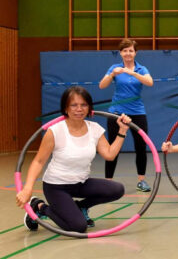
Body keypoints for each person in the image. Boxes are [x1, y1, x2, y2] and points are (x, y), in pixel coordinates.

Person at [16, 86, 127, 232]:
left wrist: (122, 131)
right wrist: (28, 188)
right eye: (74, 105)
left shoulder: (94, 129)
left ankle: (81, 207)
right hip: (56, 186)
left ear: (89, 108)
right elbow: (39, 161)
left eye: (83, 105)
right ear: (66, 108)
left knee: (117, 189)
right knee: (78, 226)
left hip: (81, 183)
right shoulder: (55, 131)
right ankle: (40, 207)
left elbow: (110, 155)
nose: (79, 109)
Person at [98, 38, 154, 192]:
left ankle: (141, 181)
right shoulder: (115, 68)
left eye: (131, 50)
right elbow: (102, 85)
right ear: (120, 53)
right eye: (125, 50)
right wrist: (111, 75)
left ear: (135, 53)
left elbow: (150, 82)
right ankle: (108, 181)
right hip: (117, 112)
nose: (128, 53)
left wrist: (132, 73)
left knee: (141, 147)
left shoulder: (141, 69)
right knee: (112, 147)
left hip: (137, 112)